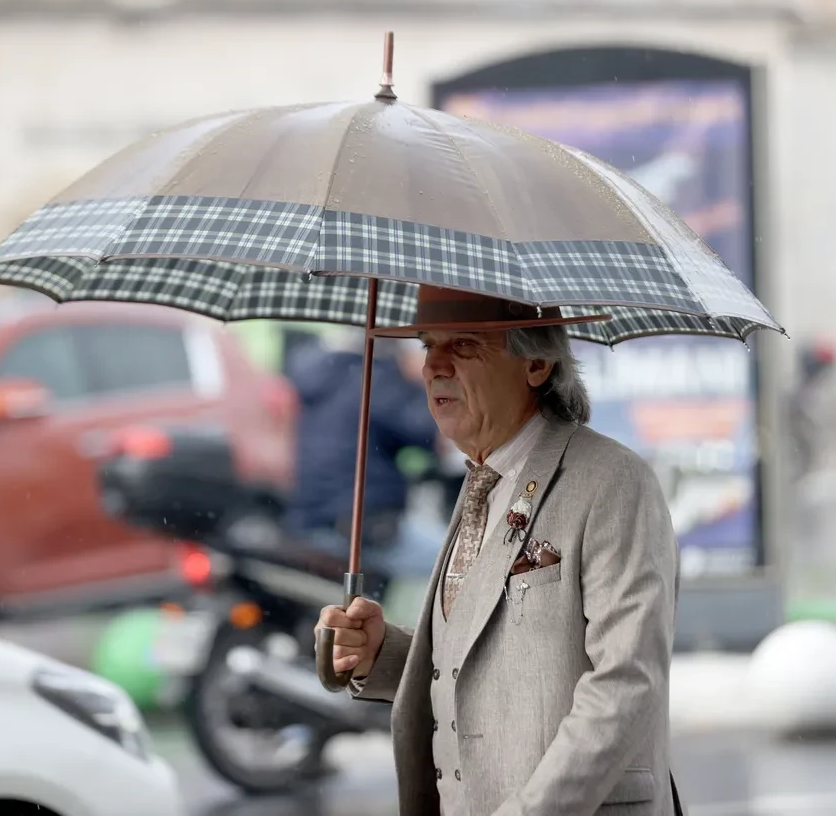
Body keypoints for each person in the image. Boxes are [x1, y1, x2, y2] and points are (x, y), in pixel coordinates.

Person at [316, 285, 682, 816]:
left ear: (535, 363)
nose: (434, 366)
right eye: (427, 345)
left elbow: (627, 683)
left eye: (464, 345)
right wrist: (383, 654)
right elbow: (490, 659)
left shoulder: (614, 482)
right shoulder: (481, 481)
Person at [285, 327, 438, 596]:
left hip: (314, 516)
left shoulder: (325, 376)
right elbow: (426, 431)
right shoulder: (373, 379)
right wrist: (423, 383)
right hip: (363, 525)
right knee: (458, 561)